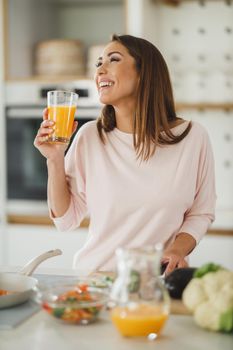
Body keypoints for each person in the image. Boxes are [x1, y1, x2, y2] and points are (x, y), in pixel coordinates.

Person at [34, 34, 216, 275]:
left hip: (155, 282)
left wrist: (177, 250)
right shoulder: (90, 137)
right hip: (96, 279)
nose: (100, 70)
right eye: (98, 63)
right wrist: (55, 158)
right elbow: (66, 220)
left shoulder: (193, 137)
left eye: (113, 60)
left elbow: (201, 212)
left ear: (144, 73)